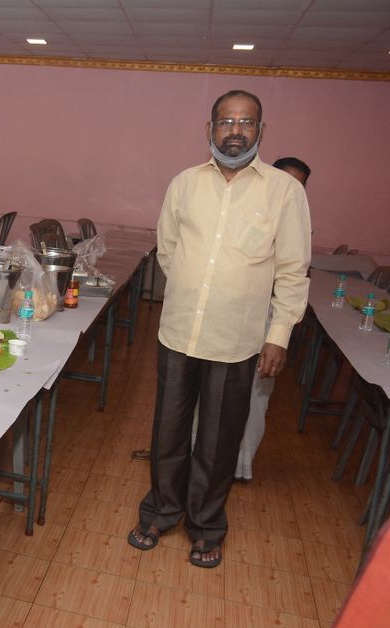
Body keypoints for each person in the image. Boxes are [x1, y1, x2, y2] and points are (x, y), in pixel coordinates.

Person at [127, 90, 311, 568]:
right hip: (180, 331)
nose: (235, 130)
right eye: (226, 122)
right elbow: (167, 250)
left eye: (246, 123)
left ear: (261, 131)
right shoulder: (185, 184)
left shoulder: (284, 191)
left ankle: (206, 525)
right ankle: (161, 509)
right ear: (209, 129)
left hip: (238, 338)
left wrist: (280, 334)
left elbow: (293, 270)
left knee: (218, 438)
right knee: (167, 431)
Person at [235, 157, 311, 480]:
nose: (291, 188)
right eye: (286, 179)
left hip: (271, 319)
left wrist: (278, 336)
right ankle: (206, 456)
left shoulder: (299, 223)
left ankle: (240, 465)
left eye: (299, 184)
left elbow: (294, 277)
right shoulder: (249, 214)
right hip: (237, 312)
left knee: (256, 395)